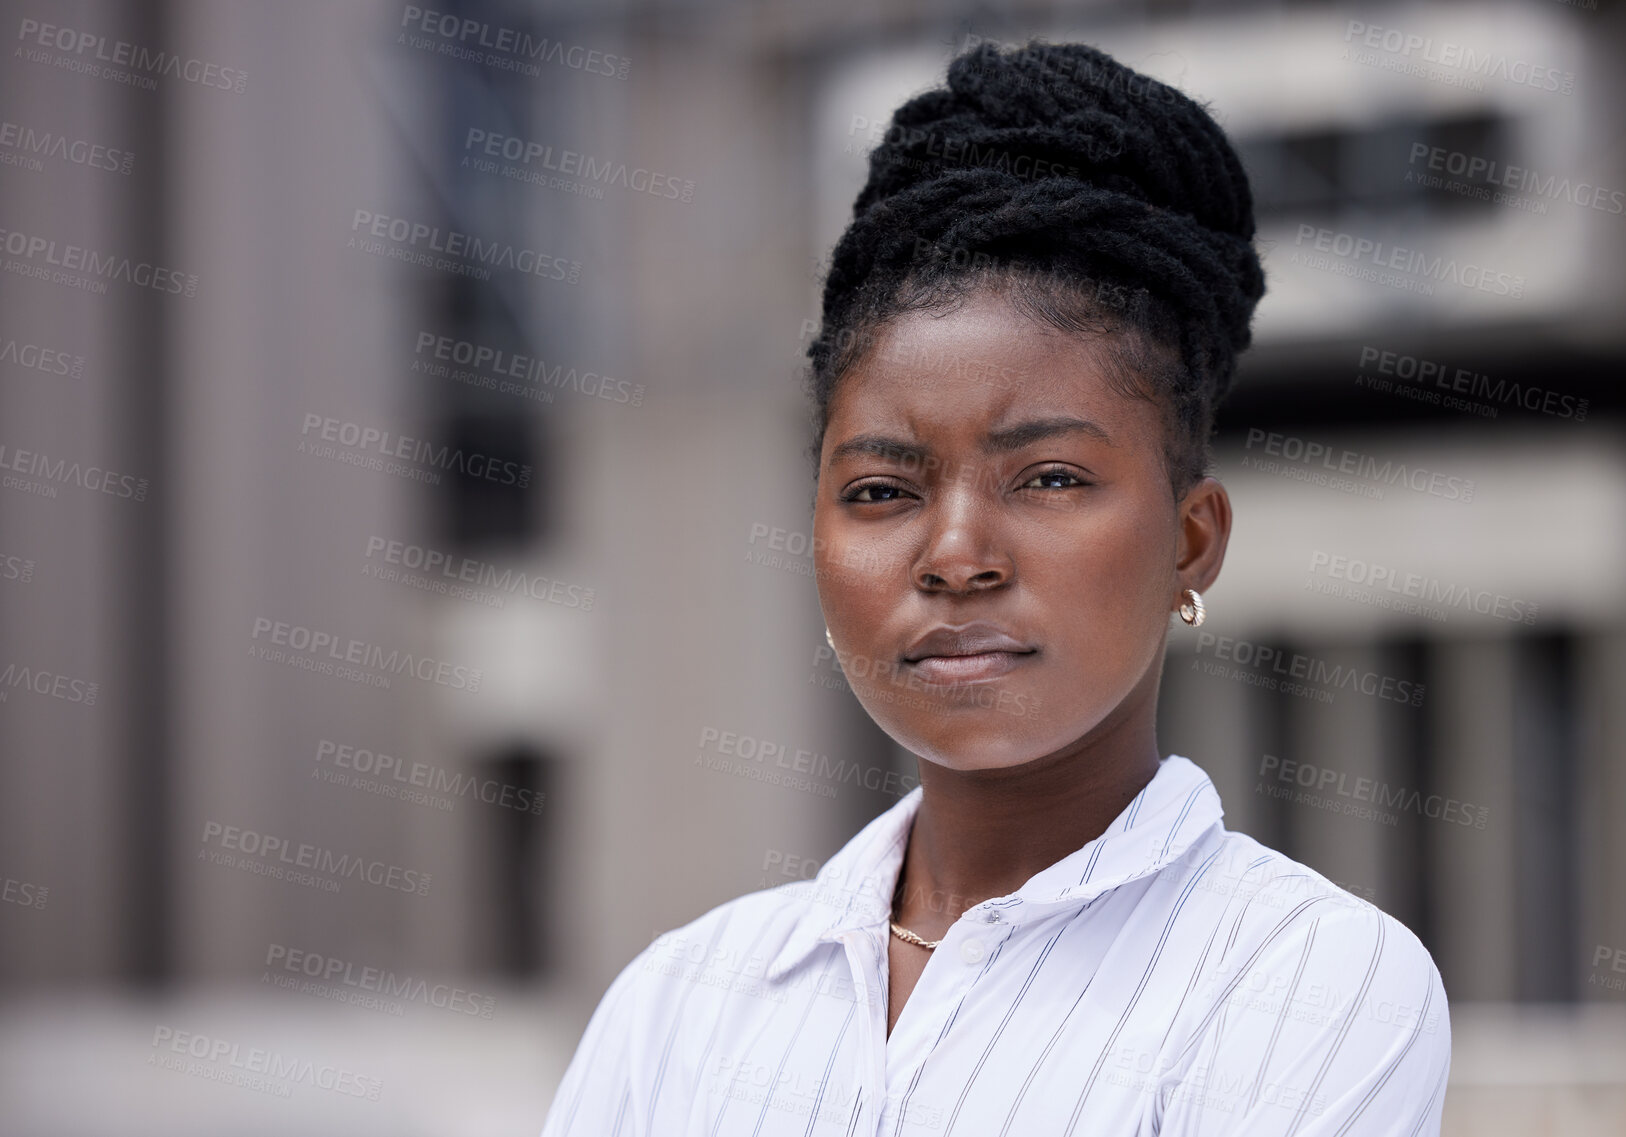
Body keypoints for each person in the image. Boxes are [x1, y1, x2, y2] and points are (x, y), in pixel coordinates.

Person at [540, 38, 1450, 1136]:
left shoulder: (1309, 984)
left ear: (1192, 543)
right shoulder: (683, 1002)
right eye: (881, 491)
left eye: (1051, 477)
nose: (957, 553)